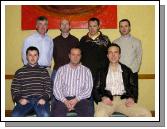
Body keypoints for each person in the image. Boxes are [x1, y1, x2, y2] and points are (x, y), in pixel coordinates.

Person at [94, 43, 152, 117]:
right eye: (110, 53)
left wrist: (131, 98)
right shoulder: (101, 71)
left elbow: (133, 87)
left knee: (146, 113)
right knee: (99, 115)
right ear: (107, 55)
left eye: (116, 52)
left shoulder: (127, 70)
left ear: (119, 55)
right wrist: (102, 97)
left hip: (124, 101)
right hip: (107, 100)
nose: (113, 55)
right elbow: (95, 89)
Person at [79, 17, 111, 116]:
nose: (92, 28)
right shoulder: (83, 40)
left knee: (102, 100)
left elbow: (110, 56)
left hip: (102, 76)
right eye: (90, 26)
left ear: (99, 26)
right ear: (88, 27)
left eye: (94, 26)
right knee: (88, 101)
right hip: (87, 76)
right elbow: (79, 56)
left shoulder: (105, 39)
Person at [11, 46, 52, 117]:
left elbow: (49, 88)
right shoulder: (19, 72)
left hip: (40, 101)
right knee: (15, 115)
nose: (32, 57)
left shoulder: (44, 71)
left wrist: (44, 98)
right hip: (25, 101)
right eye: (30, 55)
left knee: (45, 115)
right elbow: (14, 90)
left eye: (35, 55)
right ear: (26, 57)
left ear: (38, 56)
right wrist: (20, 99)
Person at [52, 47, 93, 117]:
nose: (75, 57)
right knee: (57, 114)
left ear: (81, 56)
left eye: (78, 55)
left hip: (80, 99)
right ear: (69, 56)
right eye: (73, 54)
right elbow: (56, 89)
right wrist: (65, 101)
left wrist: (76, 99)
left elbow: (88, 89)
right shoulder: (61, 70)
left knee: (88, 112)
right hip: (63, 99)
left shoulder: (86, 71)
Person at [113, 19, 142, 101]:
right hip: (119, 75)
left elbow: (139, 58)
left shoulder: (137, 42)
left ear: (129, 27)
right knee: (120, 100)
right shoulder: (115, 42)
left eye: (126, 26)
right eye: (121, 26)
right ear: (119, 29)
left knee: (132, 100)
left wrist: (134, 70)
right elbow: (113, 58)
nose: (124, 28)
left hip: (132, 75)